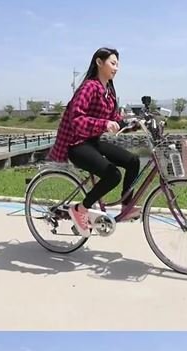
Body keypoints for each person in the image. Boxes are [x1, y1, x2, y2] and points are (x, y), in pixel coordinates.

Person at [48, 47, 141, 238]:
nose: (116, 68)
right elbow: (76, 119)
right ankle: (80, 209)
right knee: (113, 175)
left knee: (133, 160)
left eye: (118, 64)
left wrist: (135, 124)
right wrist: (104, 124)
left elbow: (115, 119)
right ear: (99, 62)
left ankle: (126, 206)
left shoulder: (109, 91)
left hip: (92, 141)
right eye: (113, 63)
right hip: (76, 144)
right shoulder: (89, 87)